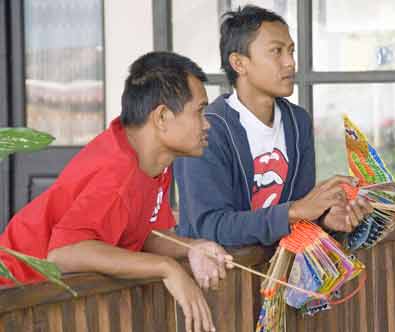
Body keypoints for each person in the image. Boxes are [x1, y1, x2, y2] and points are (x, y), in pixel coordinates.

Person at [0, 51, 232, 332]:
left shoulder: (154, 160)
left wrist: (192, 248)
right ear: (161, 117)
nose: (207, 124)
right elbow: (64, 253)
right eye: (199, 111)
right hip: (16, 299)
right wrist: (167, 268)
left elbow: (146, 235)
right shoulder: (117, 173)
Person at [174, 5, 372, 247]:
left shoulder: (297, 122)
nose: (290, 63)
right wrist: (294, 211)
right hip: (225, 280)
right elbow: (208, 227)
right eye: (276, 51)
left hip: (284, 275)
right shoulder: (207, 130)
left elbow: (300, 215)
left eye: (291, 51)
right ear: (239, 63)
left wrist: (326, 219)